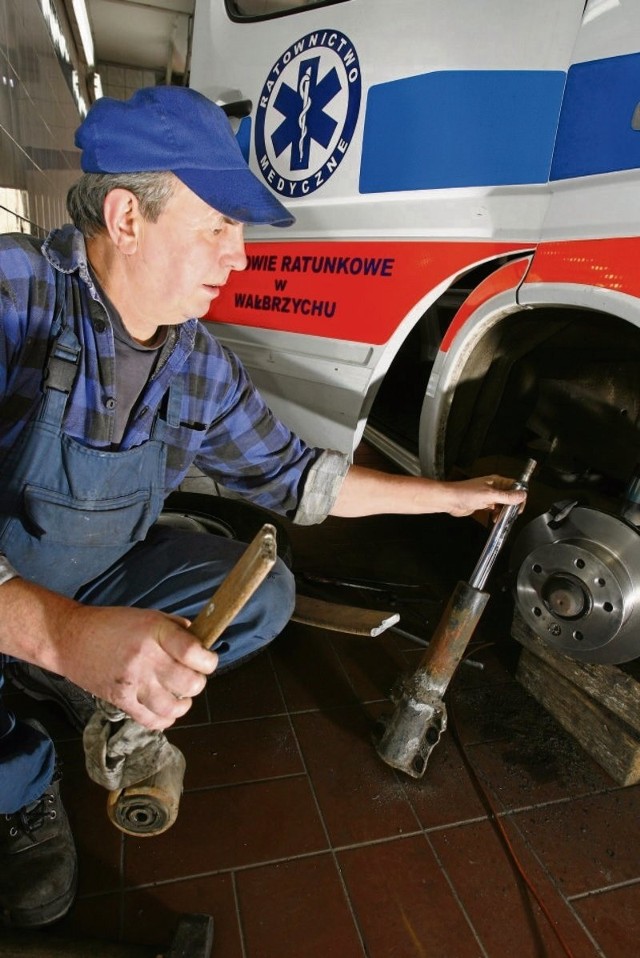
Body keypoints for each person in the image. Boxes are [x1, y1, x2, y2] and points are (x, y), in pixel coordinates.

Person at [0, 86, 526, 928]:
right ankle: (20, 784)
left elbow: (297, 478)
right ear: (127, 218)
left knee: (265, 590)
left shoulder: (194, 362)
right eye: (218, 226)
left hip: (86, 580)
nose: (238, 257)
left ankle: (80, 681)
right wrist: (57, 632)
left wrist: (451, 496)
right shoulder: (14, 297)